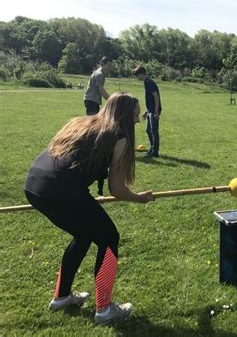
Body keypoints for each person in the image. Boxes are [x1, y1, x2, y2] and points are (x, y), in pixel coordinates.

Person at [24, 92, 155, 325]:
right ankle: (104, 310)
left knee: (84, 234)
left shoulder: (81, 121)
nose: (138, 120)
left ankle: (62, 296)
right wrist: (139, 198)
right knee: (109, 237)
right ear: (125, 115)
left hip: (34, 186)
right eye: (136, 115)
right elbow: (116, 188)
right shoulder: (119, 137)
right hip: (62, 190)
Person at [133, 66, 162, 157]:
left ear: (141, 74)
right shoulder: (146, 82)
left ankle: (155, 152)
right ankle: (152, 148)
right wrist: (147, 111)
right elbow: (150, 99)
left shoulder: (149, 82)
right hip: (151, 110)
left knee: (154, 131)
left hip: (154, 111)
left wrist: (156, 111)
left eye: (137, 76)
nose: (137, 78)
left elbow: (156, 97)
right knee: (148, 130)